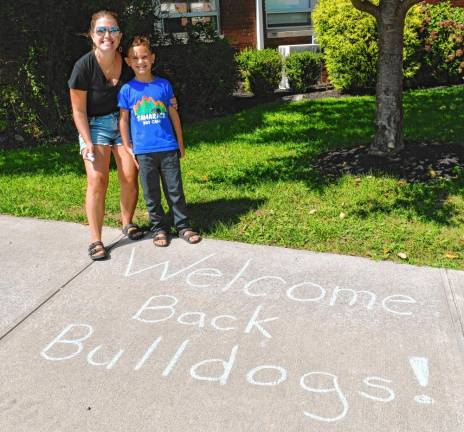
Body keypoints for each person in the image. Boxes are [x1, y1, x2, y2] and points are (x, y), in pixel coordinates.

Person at [68, 10, 144, 260]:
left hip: (123, 123)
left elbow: (146, 86)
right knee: (98, 179)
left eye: (112, 30)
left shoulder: (129, 63)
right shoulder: (83, 66)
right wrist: (87, 141)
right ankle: (96, 239)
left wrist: (169, 100)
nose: (107, 35)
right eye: (101, 30)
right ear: (92, 35)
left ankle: (127, 222)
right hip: (94, 125)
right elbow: (78, 110)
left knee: (130, 174)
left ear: (120, 36)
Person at [118, 36, 201, 247]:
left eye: (145, 56)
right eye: (135, 58)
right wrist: (128, 147)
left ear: (152, 58)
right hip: (144, 152)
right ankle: (159, 228)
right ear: (128, 61)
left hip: (168, 148)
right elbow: (123, 120)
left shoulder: (163, 85)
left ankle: (182, 226)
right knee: (151, 193)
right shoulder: (128, 90)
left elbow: (174, 116)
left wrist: (180, 143)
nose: (140, 61)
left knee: (175, 190)